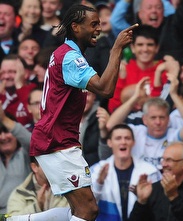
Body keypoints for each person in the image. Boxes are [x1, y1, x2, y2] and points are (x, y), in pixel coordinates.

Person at [0, 4, 138, 221]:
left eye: (99, 24)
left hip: (56, 139)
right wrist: (116, 49)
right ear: (75, 27)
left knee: (80, 210)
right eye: (93, 24)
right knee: (88, 210)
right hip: (56, 141)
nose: (98, 29)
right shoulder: (70, 58)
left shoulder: (65, 54)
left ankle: (15, 220)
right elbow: (105, 89)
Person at [128, 141, 183, 221]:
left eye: (169, 160)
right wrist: (141, 202)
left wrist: (174, 197)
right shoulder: (154, 189)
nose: (163, 164)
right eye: (163, 159)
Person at [91, 124, 161, 221]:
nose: (123, 142)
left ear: (133, 142)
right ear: (109, 143)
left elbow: (159, 206)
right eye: (118, 138)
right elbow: (87, 205)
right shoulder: (96, 170)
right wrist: (99, 183)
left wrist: (142, 197)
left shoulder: (150, 171)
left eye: (127, 138)